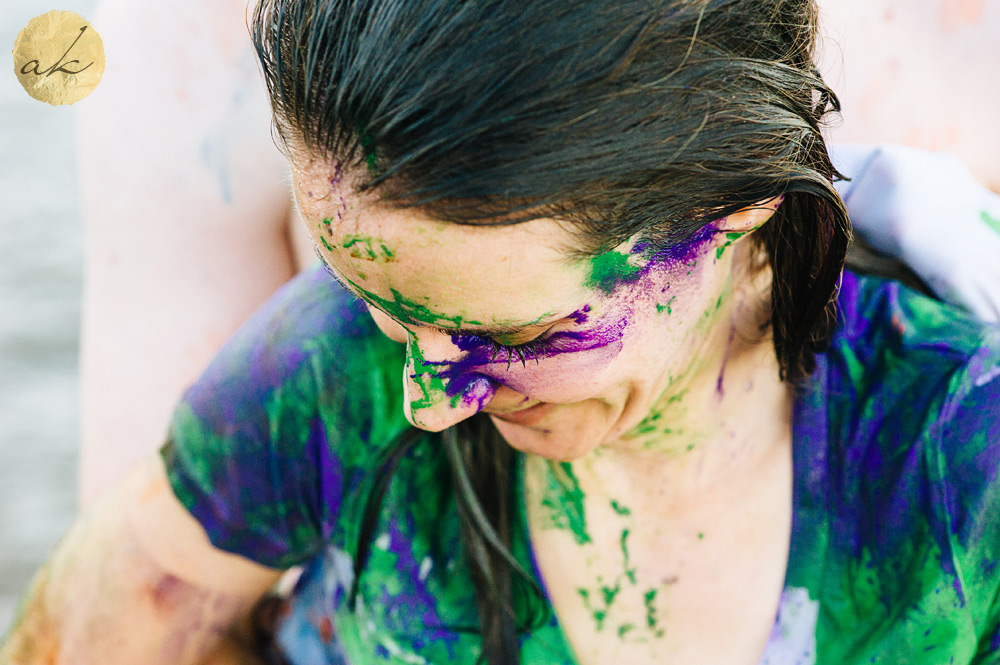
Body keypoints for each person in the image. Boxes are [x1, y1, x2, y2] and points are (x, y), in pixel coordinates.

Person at [5, 2, 1000, 665]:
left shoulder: (960, 461)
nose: (425, 402)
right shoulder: (327, 368)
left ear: (731, 209)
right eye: (388, 312)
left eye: (515, 332)